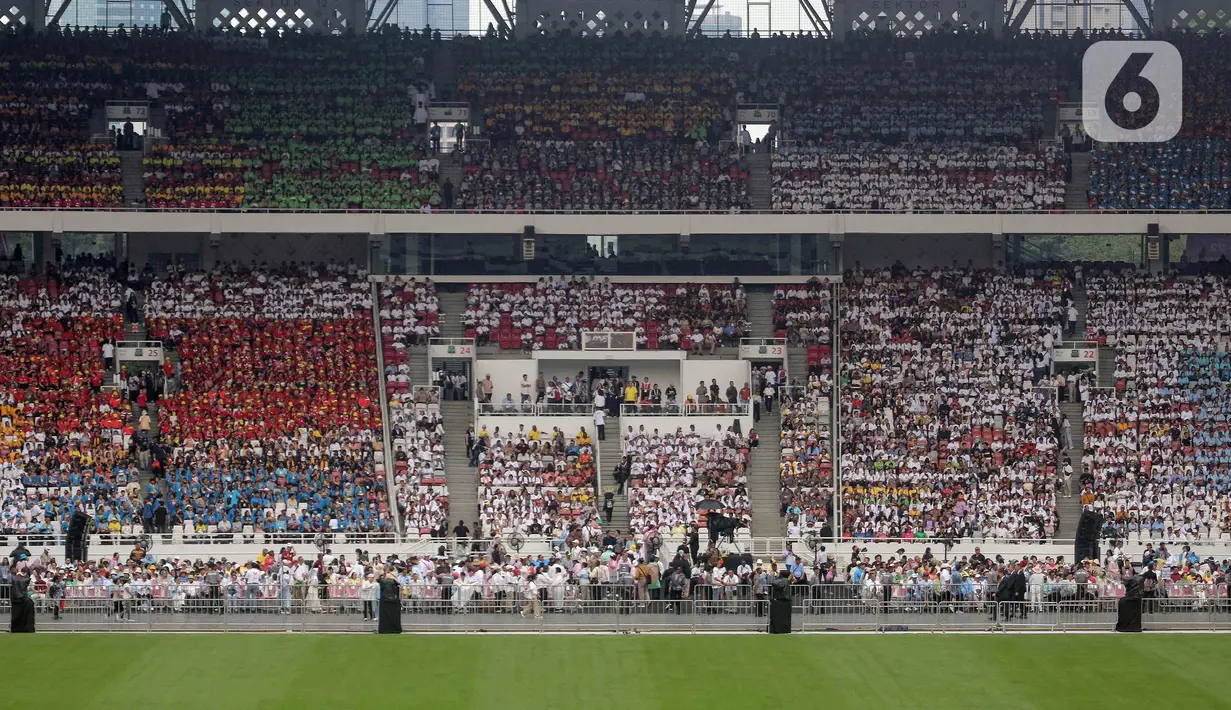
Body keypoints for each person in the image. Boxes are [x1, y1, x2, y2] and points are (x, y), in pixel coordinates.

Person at [377, 567, 403, 634]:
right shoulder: (394, 582)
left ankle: (386, 629)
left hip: (385, 600)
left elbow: (378, 579)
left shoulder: (384, 581)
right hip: (393, 600)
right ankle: (395, 628)